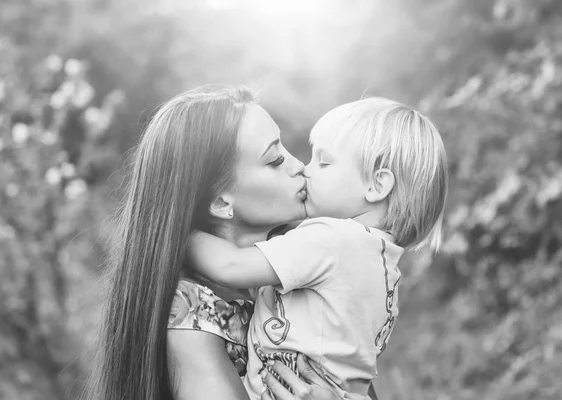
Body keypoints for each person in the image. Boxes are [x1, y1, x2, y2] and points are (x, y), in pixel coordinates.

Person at [84, 85, 348, 400]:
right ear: (222, 203)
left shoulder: (304, 267)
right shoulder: (191, 312)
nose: (298, 167)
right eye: (275, 160)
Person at [189, 97, 449, 399]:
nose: (304, 168)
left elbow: (230, 266)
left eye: (323, 162)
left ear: (377, 186)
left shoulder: (331, 239)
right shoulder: (382, 265)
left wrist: (177, 231)